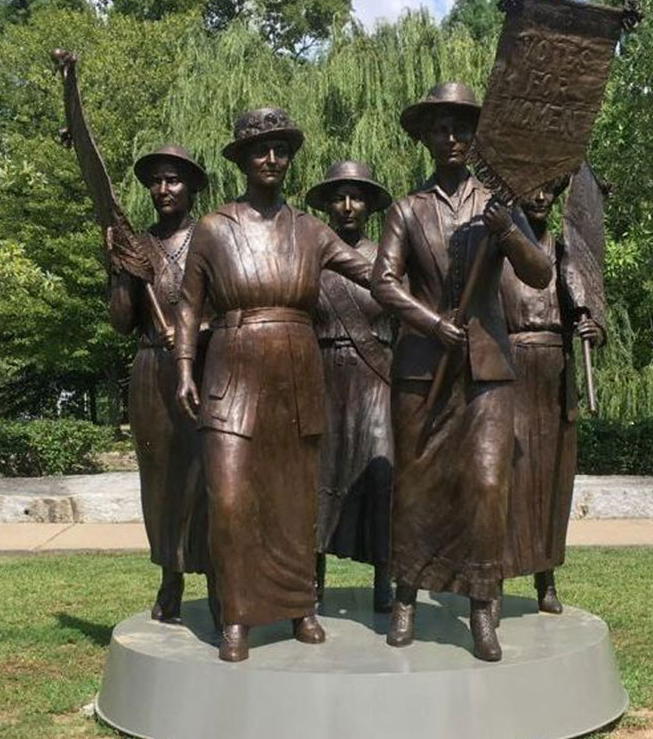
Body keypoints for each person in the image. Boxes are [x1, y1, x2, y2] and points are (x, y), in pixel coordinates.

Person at [175, 108, 373, 663]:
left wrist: (430, 313)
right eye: (260, 149)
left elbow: (373, 276)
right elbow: (190, 307)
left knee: (293, 498)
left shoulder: (311, 230)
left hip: (296, 366)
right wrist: (185, 367)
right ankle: (236, 613)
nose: (271, 159)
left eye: (281, 149)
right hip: (232, 367)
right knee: (233, 497)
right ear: (241, 159)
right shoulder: (213, 228)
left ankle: (299, 605)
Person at [371, 82, 552, 662]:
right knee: (417, 487)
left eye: (461, 129)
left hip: (489, 368)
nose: (451, 138)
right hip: (425, 368)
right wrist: (429, 322)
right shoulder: (407, 209)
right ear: (425, 137)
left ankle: (481, 605)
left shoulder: (497, 207)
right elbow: (383, 282)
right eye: (440, 129)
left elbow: (541, 273)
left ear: (475, 137)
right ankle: (406, 596)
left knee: (487, 485)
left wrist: (506, 231)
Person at [108, 144, 213, 621]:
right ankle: (169, 575)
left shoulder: (210, 238)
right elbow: (121, 322)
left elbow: (232, 304)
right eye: (156, 181)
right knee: (159, 479)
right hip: (151, 368)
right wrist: (118, 274)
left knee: (208, 476)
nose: (163, 189)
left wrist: (194, 331)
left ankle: (216, 574)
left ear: (190, 187)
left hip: (206, 365)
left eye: (173, 180)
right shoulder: (140, 245)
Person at [501, 180, 605, 613]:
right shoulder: (501, 251)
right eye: (532, 189)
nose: (540, 197)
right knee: (508, 480)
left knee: (553, 481)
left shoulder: (566, 253)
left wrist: (594, 328)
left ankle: (547, 579)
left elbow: (594, 309)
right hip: (510, 368)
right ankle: (495, 576)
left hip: (555, 374)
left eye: (549, 190)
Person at [308, 161, 395, 614]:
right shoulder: (312, 256)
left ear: (369, 205)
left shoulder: (387, 256)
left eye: (356, 196)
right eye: (338, 196)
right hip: (322, 371)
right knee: (318, 475)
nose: (347, 206)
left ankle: (385, 573)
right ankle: (312, 579)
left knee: (382, 472)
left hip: (376, 374)